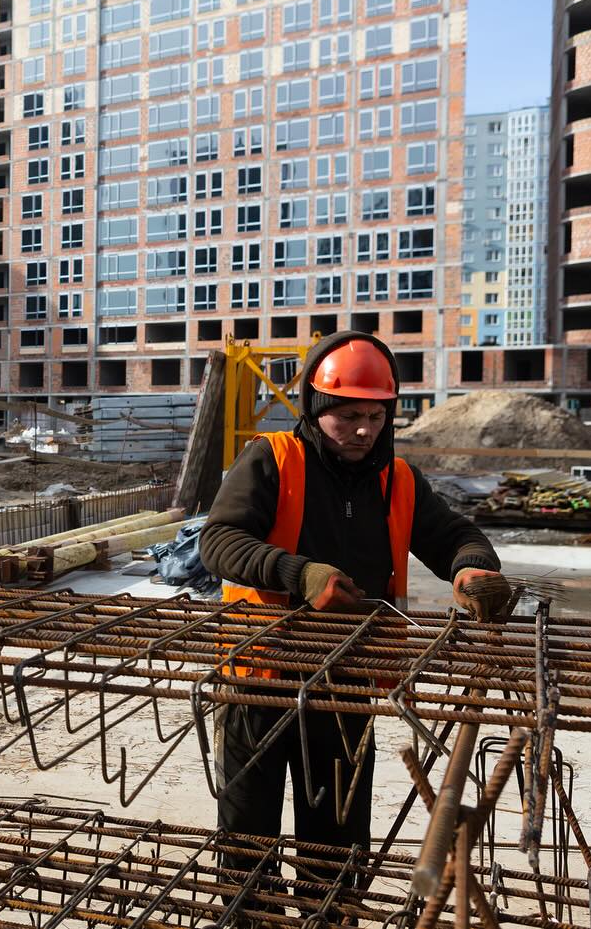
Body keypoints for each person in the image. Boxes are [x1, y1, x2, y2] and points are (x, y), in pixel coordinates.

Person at [198, 331, 510, 876]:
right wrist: (300, 573)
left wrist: (471, 568)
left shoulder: (400, 480)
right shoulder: (270, 460)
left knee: (337, 844)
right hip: (261, 676)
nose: (364, 430)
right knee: (248, 838)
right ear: (317, 408)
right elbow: (219, 541)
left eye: (376, 415)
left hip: (350, 682)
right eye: (347, 416)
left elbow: (453, 535)